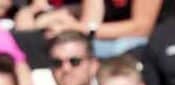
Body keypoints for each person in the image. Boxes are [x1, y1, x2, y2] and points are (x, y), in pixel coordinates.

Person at [18, 0, 163, 58]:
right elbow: (90, 22)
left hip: (145, 42)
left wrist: (79, 29)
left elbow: (142, 28)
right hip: (105, 39)